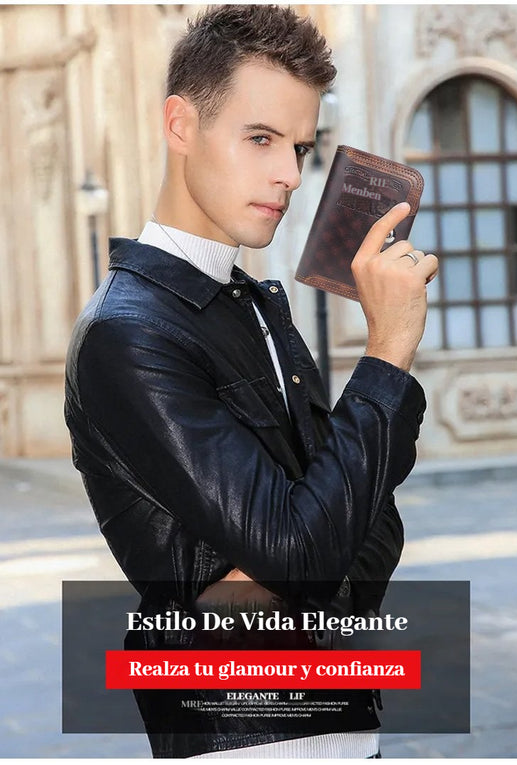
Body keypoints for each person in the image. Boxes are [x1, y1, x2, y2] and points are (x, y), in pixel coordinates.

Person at [64, 4, 438, 759]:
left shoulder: (256, 307)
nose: (289, 175)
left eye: (298, 146)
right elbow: (307, 551)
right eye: (260, 138)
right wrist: (387, 351)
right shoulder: (128, 333)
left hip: (345, 720)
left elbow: (370, 531)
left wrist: (288, 565)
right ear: (180, 125)